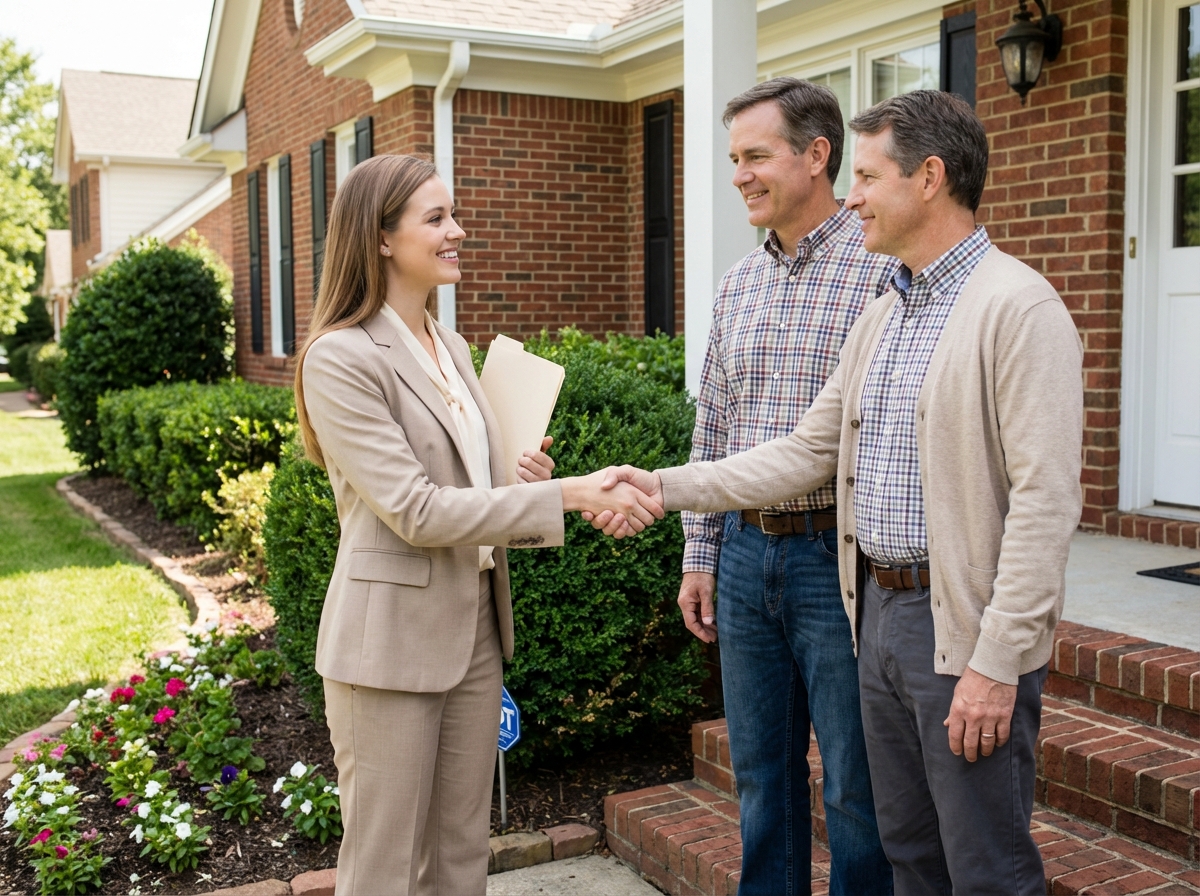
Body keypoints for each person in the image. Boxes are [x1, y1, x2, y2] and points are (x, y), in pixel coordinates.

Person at [595, 90, 1083, 895]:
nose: (851, 195)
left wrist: (998, 663)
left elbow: (1045, 504)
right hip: (879, 613)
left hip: (958, 623)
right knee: (911, 855)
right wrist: (662, 485)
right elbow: (804, 450)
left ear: (929, 178)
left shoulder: (1017, 307)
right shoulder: (889, 309)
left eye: (866, 175)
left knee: (986, 867)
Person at [293, 154, 663, 896]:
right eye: (436, 218)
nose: (458, 230)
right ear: (382, 238)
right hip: (388, 643)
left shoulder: (453, 347)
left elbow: (473, 495)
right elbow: (417, 509)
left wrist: (518, 483)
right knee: (384, 864)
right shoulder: (340, 358)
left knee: (460, 855)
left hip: (474, 633)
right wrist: (567, 494)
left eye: (452, 214)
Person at [677, 77, 894, 896]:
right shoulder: (738, 284)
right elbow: (716, 426)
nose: (740, 175)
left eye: (756, 156)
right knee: (762, 777)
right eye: (734, 159)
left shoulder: (880, 271)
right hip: (741, 558)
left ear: (816, 155)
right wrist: (701, 553)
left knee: (855, 786)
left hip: (834, 562)